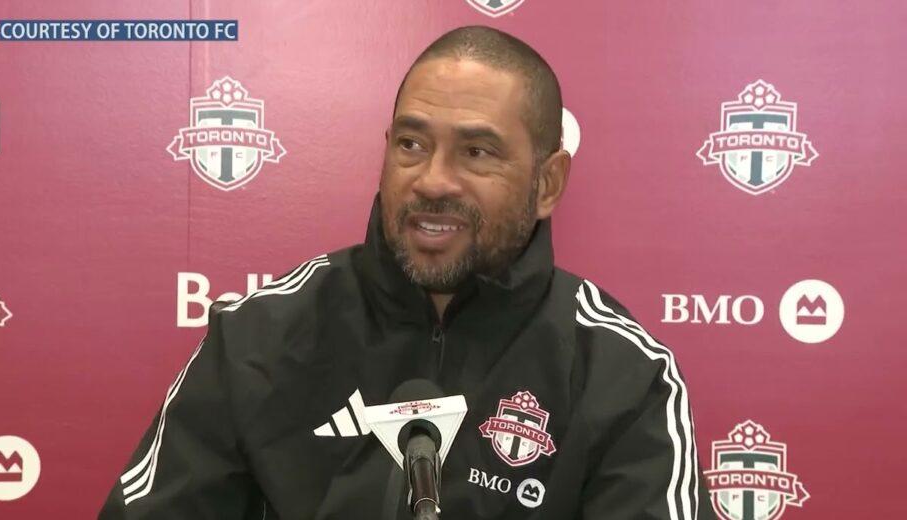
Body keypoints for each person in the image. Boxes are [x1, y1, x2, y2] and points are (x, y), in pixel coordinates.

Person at [99, 25, 714, 520]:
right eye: (412, 145)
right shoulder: (260, 336)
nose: (433, 181)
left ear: (547, 183)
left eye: (476, 152)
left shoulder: (620, 371)